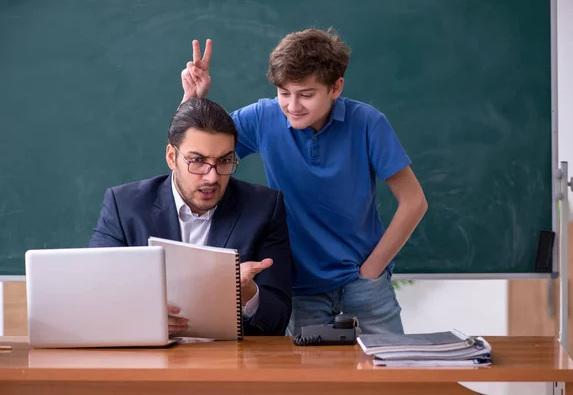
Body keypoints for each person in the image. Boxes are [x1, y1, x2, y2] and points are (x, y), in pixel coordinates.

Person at [180, 28, 428, 335]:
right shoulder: (263, 117)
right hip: (298, 287)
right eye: (284, 93)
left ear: (336, 87)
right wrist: (193, 101)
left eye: (306, 95)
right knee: (309, 380)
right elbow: (197, 152)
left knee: (387, 376)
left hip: (364, 283)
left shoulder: (367, 123)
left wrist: (372, 270)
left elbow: (414, 201)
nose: (292, 106)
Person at [89, 98, 292, 336]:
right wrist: (142, 315)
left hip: (229, 364)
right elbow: (95, 294)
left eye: (224, 161)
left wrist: (248, 293)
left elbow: (278, 319)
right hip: (147, 361)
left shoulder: (264, 207)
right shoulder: (124, 206)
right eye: (197, 161)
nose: (212, 177)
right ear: (171, 157)